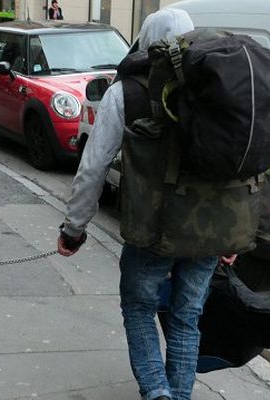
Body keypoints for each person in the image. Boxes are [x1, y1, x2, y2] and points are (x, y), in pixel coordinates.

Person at [57, 8, 237, 400]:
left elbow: (94, 166)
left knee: (138, 307)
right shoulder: (218, 84)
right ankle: (178, 395)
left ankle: (157, 392)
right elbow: (236, 166)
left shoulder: (125, 91)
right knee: (187, 317)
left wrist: (74, 228)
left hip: (151, 227)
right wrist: (233, 235)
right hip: (209, 228)